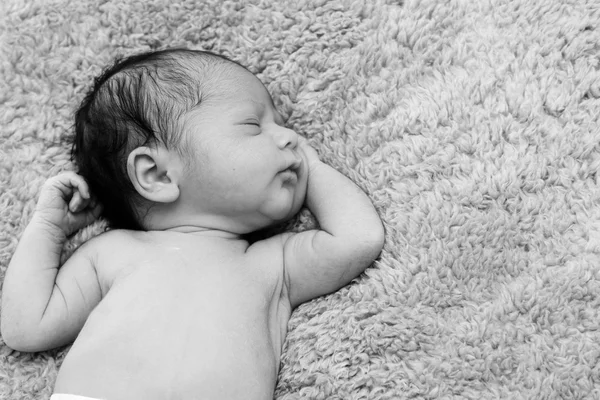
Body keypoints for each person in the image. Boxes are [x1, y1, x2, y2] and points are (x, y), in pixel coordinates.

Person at [1, 48, 385, 400]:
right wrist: (48, 228)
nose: (290, 138)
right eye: (253, 125)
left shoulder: (273, 265)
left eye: (282, 126)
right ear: (157, 175)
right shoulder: (112, 252)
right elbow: (25, 326)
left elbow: (358, 239)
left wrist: (314, 167)